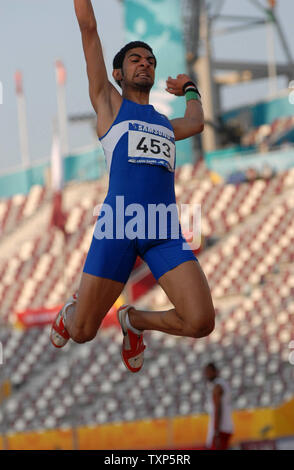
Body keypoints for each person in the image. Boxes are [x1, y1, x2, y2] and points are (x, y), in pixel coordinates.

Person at [50, 0, 215, 373]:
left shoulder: (164, 125)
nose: (145, 63)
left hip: (163, 232)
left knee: (201, 321)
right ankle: (71, 311)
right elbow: (89, 29)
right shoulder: (109, 104)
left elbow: (197, 122)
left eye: (151, 61)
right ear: (118, 74)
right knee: (82, 332)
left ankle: (134, 321)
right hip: (118, 228)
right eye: (136, 59)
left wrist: (190, 88)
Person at [203, 363, 234, 450]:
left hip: (221, 428)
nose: (207, 374)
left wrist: (216, 431)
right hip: (225, 427)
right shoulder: (223, 384)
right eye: (206, 372)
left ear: (215, 372)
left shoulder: (217, 386)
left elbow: (218, 408)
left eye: (209, 372)